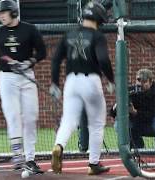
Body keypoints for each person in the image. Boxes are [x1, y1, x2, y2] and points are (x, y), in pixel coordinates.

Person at [49, 2, 114, 175]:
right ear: (99, 18)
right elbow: (103, 60)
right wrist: (111, 80)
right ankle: (93, 164)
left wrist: (55, 83)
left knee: (68, 120)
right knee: (97, 124)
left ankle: (58, 146)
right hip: (91, 80)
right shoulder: (97, 36)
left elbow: (55, 60)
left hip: (71, 82)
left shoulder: (69, 33)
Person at [0, 0, 46, 174]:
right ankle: (18, 155)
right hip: (7, 78)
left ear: (13, 12)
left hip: (26, 78)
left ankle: (30, 159)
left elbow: (42, 52)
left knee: (31, 116)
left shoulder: (30, 29)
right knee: (12, 115)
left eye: (3, 12)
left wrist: (29, 62)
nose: (0, 16)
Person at [128, 68, 155, 148]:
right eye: (138, 80)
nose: (140, 84)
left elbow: (152, 114)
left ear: (151, 82)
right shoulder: (132, 91)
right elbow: (113, 113)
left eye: (144, 82)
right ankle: (137, 147)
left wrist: (135, 112)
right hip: (140, 124)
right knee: (119, 123)